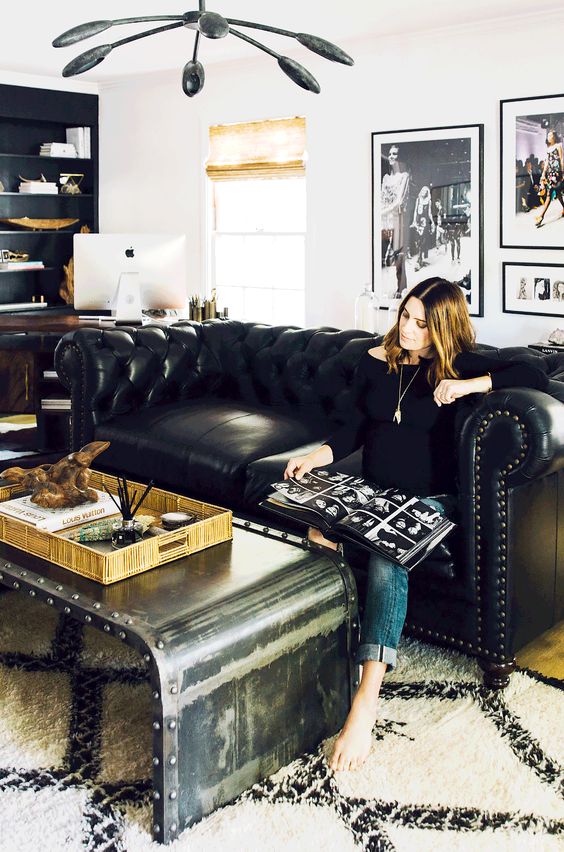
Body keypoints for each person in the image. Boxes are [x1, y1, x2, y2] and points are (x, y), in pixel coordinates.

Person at [283, 278, 549, 773]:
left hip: (435, 502)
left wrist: (471, 385)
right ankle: (314, 645)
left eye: (421, 323)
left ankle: (367, 696)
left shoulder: (459, 363)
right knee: (315, 528)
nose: (407, 328)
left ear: (442, 326)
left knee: (388, 550)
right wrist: (315, 457)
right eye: (405, 316)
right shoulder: (376, 361)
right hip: (377, 494)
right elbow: (352, 430)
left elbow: (539, 369)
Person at [535, 129, 564, 228]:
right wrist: (543, 173)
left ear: (554, 137)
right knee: (558, 192)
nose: (548, 137)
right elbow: (547, 162)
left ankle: (541, 216)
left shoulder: (558, 146)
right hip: (550, 174)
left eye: (550, 135)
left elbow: (561, 159)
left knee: (549, 193)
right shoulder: (549, 148)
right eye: (548, 135)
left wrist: (563, 172)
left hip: (557, 173)